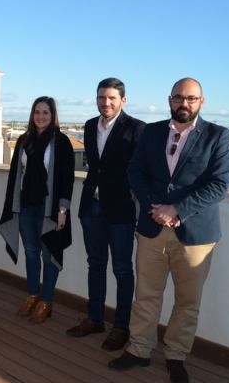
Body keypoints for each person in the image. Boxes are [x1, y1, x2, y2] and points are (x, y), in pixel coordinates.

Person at [109, 78, 229, 383]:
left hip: (195, 236)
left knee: (187, 301)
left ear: (201, 102)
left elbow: (220, 184)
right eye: (178, 97)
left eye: (191, 98)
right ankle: (139, 350)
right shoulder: (152, 132)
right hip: (152, 228)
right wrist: (156, 207)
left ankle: (176, 355)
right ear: (169, 100)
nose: (184, 103)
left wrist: (178, 209)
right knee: (146, 295)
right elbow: (135, 172)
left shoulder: (219, 136)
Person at [66, 78, 145, 351]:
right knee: (95, 264)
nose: (106, 103)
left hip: (121, 210)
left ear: (123, 100)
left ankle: (121, 327)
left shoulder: (136, 129)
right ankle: (95, 319)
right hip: (92, 207)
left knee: (122, 270)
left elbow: (141, 172)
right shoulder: (89, 126)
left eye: (112, 98)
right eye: (101, 98)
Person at [0, 96, 75, 324]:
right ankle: (33, 295)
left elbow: (67, 180)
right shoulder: (24, 140)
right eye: (37, 112)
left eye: (45, 112)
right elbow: (16, 176)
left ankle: (47, 300)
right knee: (31, 252)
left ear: (53, 116)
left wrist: (63, 210)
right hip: (26, 206)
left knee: (48, 253)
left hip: (49, 208)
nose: (40, 116)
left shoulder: (61, 142)